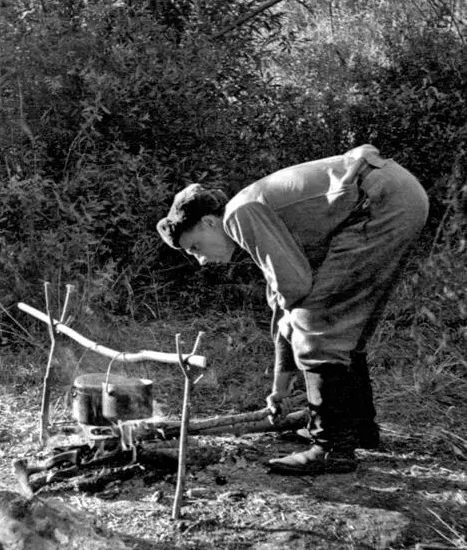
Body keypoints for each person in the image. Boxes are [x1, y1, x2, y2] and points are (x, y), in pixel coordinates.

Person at [156, 145, 429, 475]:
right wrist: (279, 390)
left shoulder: (240, 215)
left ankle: (331, 448)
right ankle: (356, 430)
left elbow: (296, 295)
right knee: (337, 326)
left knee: (319, 326)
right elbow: (282, 314)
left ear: (211, 222)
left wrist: (293, 319)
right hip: (395, 195)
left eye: (195, 247)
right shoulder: (253, 218)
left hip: (380, 201)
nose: (200, 259)